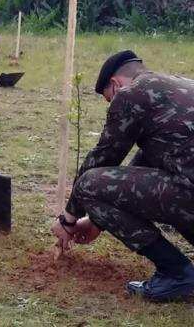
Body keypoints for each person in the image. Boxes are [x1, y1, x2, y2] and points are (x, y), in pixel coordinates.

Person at [52, 51, 194, 302]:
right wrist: (98, 220)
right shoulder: (177, 87)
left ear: (115, 85)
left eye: (109, 100)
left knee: (88, 184)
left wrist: (68, 219)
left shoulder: (131, 95)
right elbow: (145, 162)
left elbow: (105, 158)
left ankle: (176, 272)